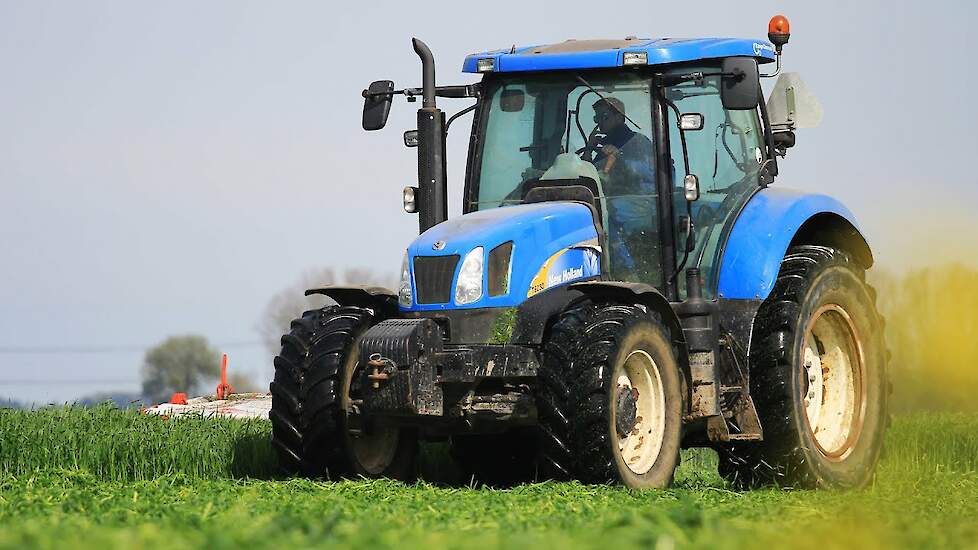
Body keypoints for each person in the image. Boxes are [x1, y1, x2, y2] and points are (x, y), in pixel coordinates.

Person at [587, 97, 659, 283]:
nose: (600, 122)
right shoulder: (604, 144)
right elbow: (590, 171)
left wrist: (620, 157)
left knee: (605, 216)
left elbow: (648, 175)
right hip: (613, 197)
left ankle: (626, 273)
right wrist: (589, 147)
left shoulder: (637, 142)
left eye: (604, 116)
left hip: (642, 199)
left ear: (620, 118)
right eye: (597, 118)